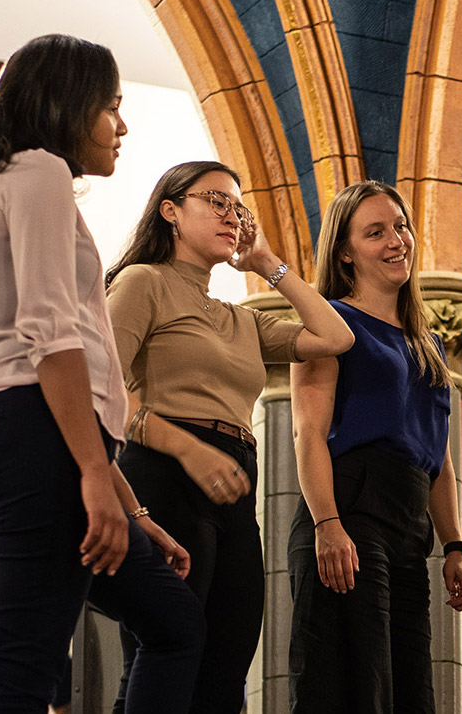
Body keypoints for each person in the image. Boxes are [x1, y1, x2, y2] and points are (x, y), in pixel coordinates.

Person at [0, 34, 206, 713]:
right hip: (35, 439)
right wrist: (91, 478)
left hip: (27, 439)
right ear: (65, 103)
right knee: (22, 675)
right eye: (110, 106)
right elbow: (49, 336)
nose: (122, 125)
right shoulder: (38, 170)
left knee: (174, 622)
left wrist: (129, 506)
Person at [104, 160, 354, 713]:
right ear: (170, 211)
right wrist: (187, 448)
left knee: (228, 663)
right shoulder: (142, 282)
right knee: (168, 653)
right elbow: (105, 392)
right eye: (215, 201)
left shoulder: (241, 319)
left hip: (234, 484)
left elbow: (336, 335)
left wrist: (267, 263)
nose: (231, 215)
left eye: (237, 207)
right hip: (164, 472)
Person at [288, 181, 462, 713]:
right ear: (345, 252)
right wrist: (327, 523)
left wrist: (455, 544)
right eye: (375, 232)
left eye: (401, 226)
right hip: (349, 510)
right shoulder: (329, 322)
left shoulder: (429, 343)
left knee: (412, 693)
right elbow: (307, 433)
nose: (397, 241)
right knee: (352, 689)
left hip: (410, 528)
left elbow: (437, 456)